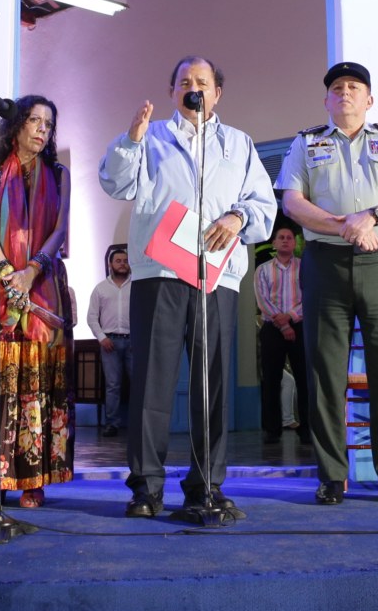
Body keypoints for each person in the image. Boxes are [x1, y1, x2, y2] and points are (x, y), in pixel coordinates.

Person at [100, 57, 277, 518]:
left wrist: (237, 216)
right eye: (184, 82)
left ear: (217, 92)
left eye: (201, 82)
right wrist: (130, 140)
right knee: (152, 384)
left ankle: (206, 485)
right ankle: (146, 488)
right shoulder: (151, 136)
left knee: (212, 384)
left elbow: (263, 204)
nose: (192, 88)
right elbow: (116, 184)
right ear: (172, 91)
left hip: (216, 275)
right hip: (159, 272)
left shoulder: (239, 143)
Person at [277, 61, 378, 507]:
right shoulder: (307, 143)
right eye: (337, 87)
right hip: (325, 264)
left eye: (354, 87)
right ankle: (331, 475)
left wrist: (372, 217)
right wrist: (346, 225)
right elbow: (292, 201)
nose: (345, 92)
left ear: (369, 99)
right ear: (326, 100)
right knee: (325, 373)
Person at [0, 94, 73, 508]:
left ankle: (33, 480)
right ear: (16, 124)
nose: (42, 130)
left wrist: (31, 271)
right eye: (35, 121)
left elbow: (60, 230)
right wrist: (7, 271)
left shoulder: (59, 174)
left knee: (38, 382)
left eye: (49, 124)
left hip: (42, 283)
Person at [254, 222, 310, 444]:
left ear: (295, 243)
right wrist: (283, 324)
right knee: (271, 379)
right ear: (274, 243)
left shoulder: (304, 267)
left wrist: (291, 317)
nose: (286, 240)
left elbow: (309, 296)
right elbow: (262, 300)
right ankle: (272, 430)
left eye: (289, 237)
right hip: (272, 328)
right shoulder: (263, 269)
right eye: (281, 237)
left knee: (304, 379)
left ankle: (307, 429)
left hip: (300, 327)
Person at [85, 244, 133, 438]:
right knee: (113, 385)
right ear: (110, 264)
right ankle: (112, 424)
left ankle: (139, 423)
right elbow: (91, 317)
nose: (122, 264)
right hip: (109, 343)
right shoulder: (100, 288)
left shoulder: (136, 286)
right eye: (118, 261)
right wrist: (102, 338)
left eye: (125, 261)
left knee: (138, 383)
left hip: (133, 342)